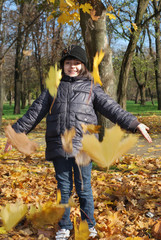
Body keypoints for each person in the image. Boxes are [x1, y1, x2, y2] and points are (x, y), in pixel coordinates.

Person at [4, 45, 152, 240]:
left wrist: (135, 124)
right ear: (62, 66)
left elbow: (112, 108)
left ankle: (88, 225)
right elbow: (34, 113)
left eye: (76, 63)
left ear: (83, 65)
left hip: (84, 147)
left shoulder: (92, 88)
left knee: (84, 189)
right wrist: (15, 133)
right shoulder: (53, 89)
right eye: (68, 63)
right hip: (59, 147)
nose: (72, 67)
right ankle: (64, 226)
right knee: (63, 189)